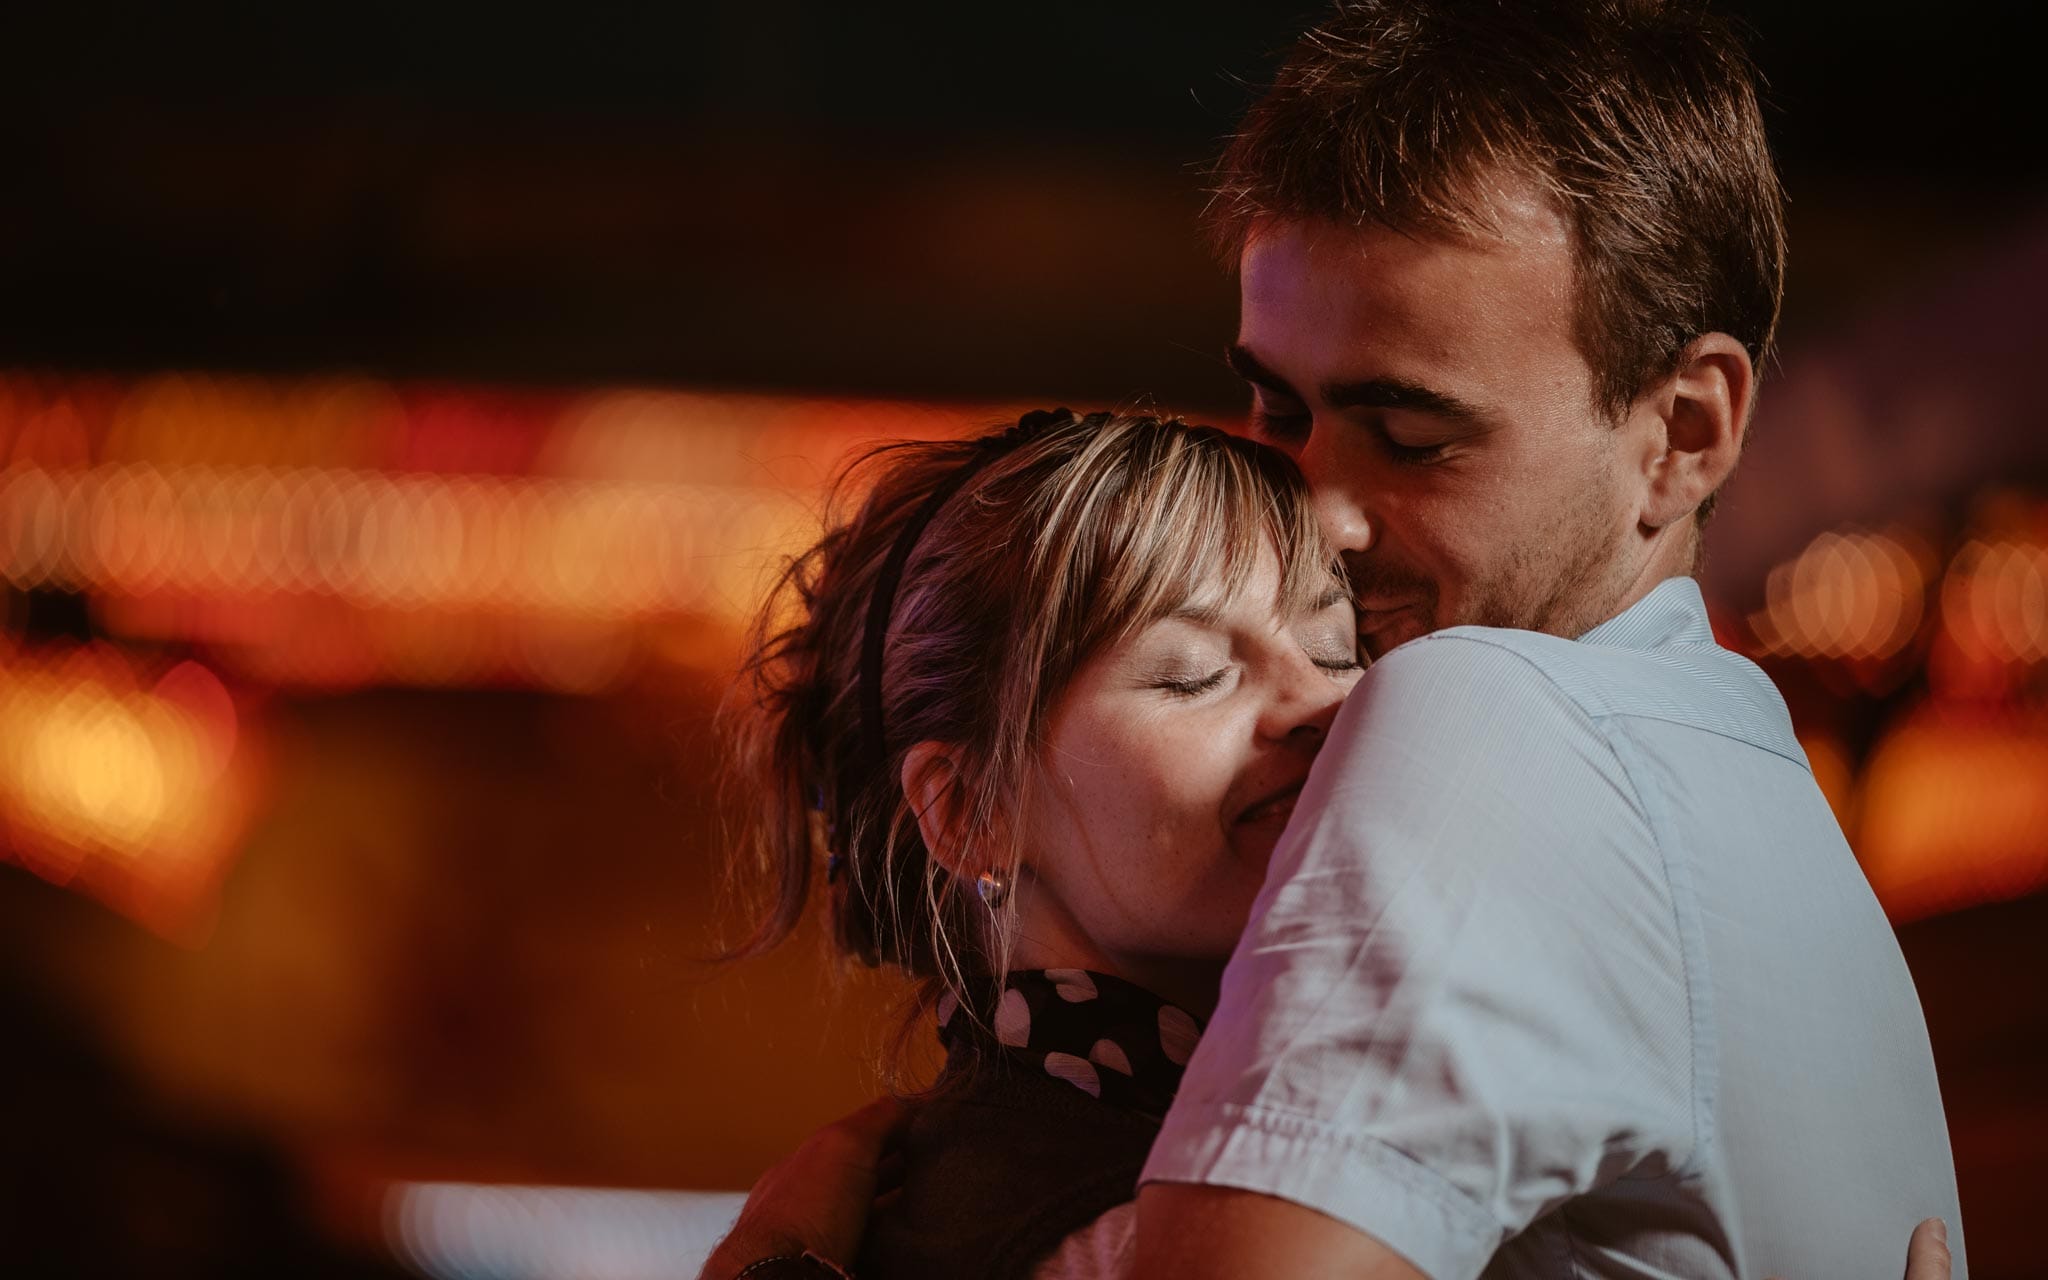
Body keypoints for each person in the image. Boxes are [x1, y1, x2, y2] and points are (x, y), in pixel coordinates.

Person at [708, 1, 1967, 1276]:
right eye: (1275, 404)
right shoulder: (1748, 786)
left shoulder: (1486, 716)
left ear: (1685, 431)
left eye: (1413, 434)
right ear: (965, 802)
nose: (1313, 500)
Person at [723, 409, 1362, 1278]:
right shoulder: (1113, 1236)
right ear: (970, 812)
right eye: (1194, 674)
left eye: (1337, 647)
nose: (1322, 703)